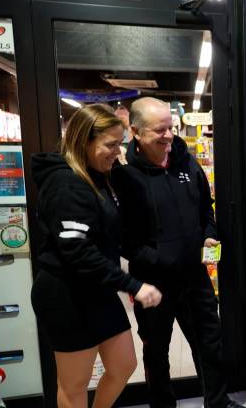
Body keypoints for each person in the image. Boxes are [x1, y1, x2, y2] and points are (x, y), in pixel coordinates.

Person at [31, 104, 162, 408]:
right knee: (74, 385)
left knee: (123, 365)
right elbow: (78, 252)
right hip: (66, 296)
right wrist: (134, 285)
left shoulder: (97, 175)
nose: (117, 153)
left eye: (120, 144)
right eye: (111, 145)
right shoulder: (65, 183)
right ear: (83, 141)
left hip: (96, 291)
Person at [111, 97, 239, 408]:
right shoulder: (124, 176)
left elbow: (205, 211)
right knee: (156, 351)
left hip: (194, 277)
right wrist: (157, 259)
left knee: (209, 344)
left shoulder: (187, 163)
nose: (169, 135)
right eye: (160, 130)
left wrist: (208, 236)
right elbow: (122, 237)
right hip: (152, 283)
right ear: (137, 132)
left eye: (171, 127)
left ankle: (218, 403)